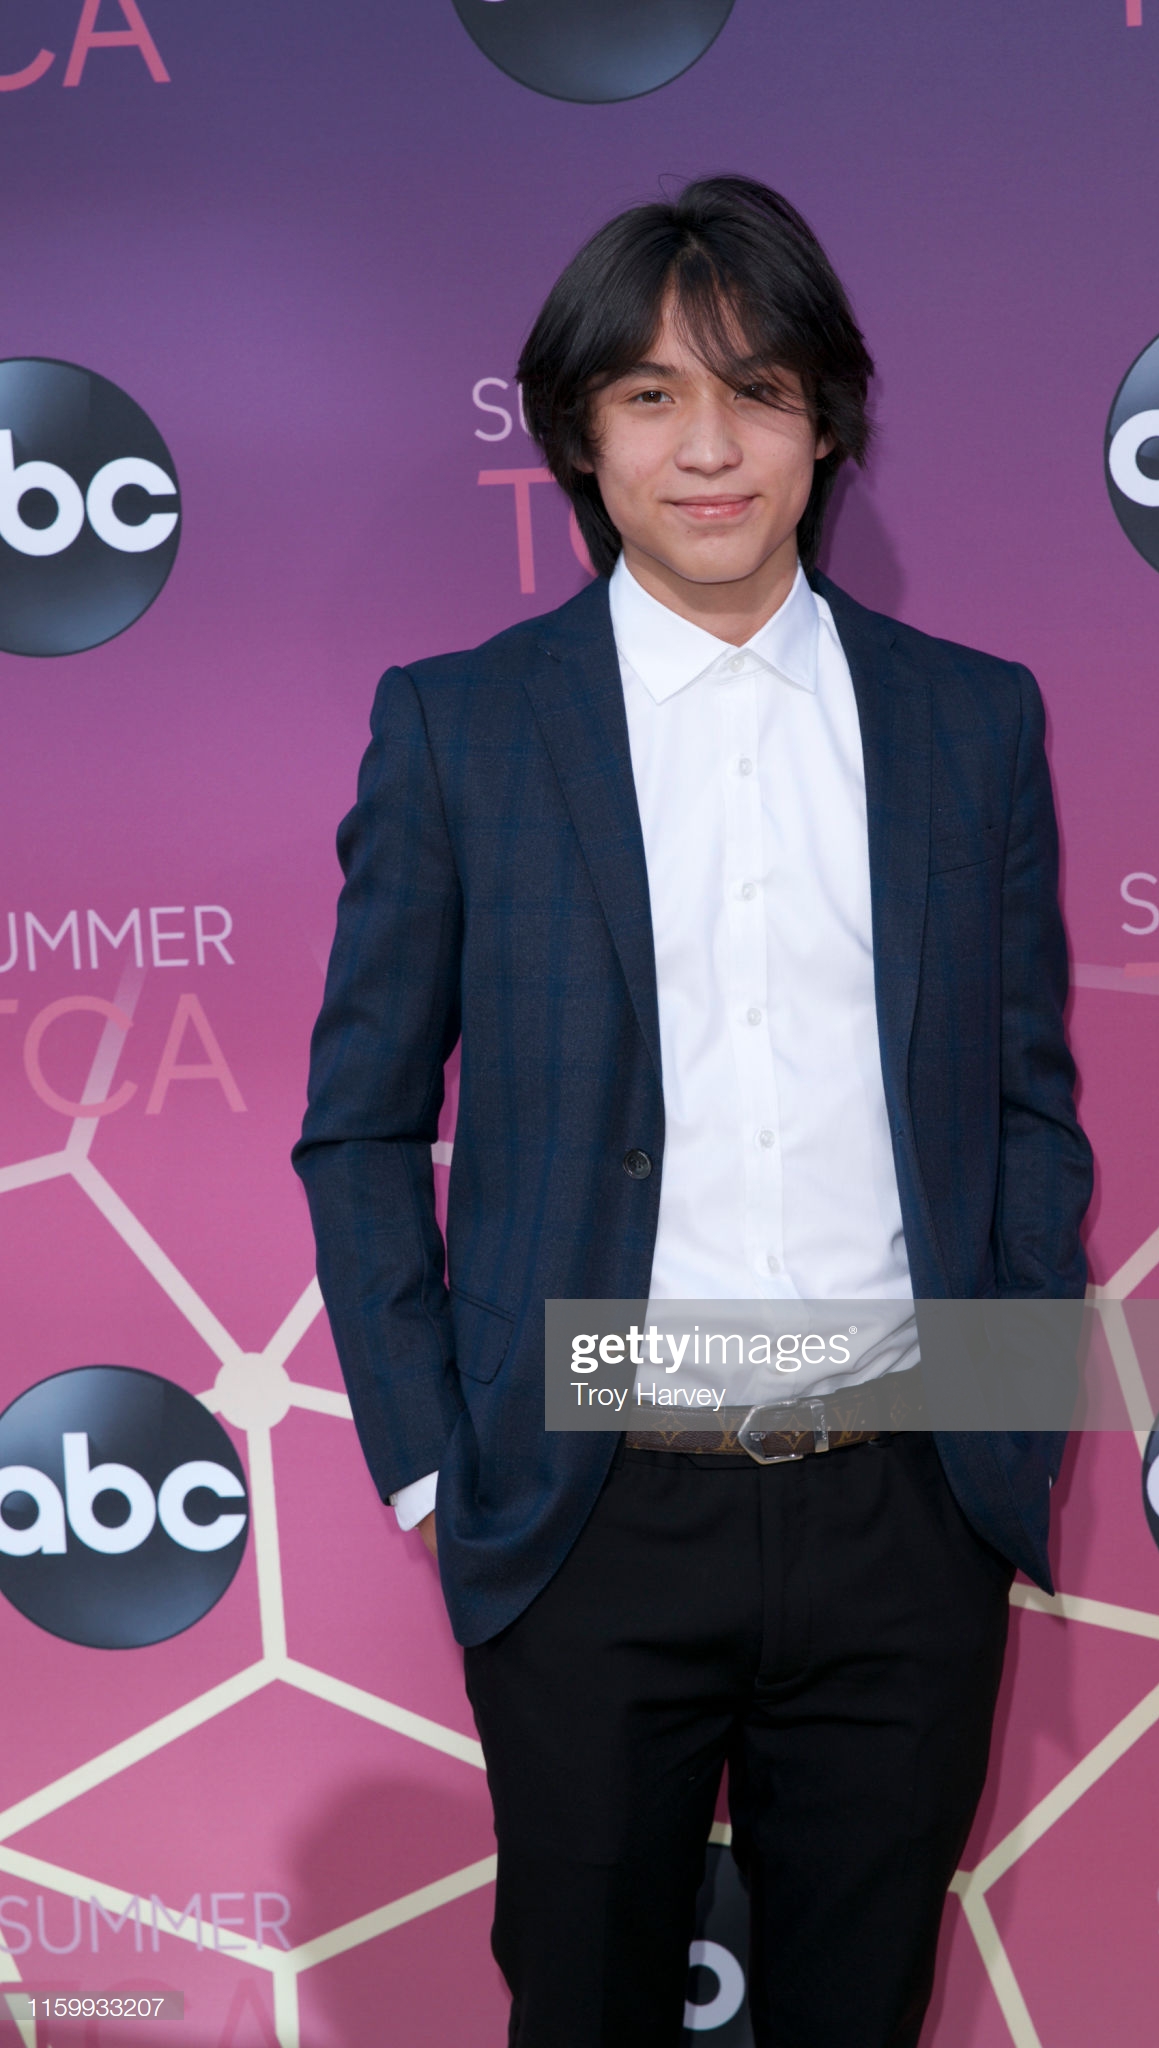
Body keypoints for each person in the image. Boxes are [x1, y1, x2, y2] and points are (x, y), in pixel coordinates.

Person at [293, 174, 1092, 2048]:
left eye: (757, 391)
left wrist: (997, 1432)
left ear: (827, 424)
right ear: (580, 434)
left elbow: (1025, 1109)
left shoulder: (970, 722)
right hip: (588, 1505)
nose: (709, 447)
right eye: (652, 395)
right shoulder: (462, 728)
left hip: (903, 1504)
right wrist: (437, 1462)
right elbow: (359, 1125)